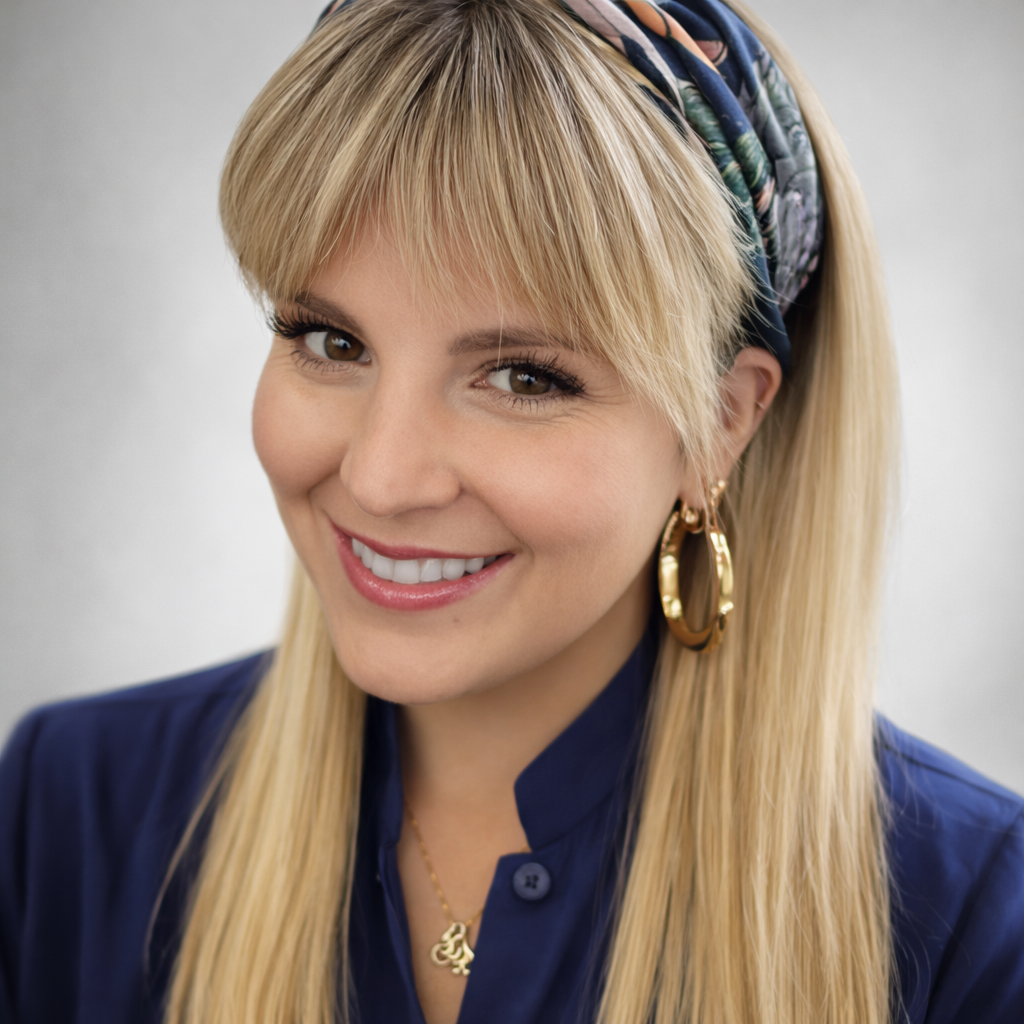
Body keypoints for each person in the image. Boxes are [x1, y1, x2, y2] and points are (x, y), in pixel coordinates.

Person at [1, 0, 1022, 1022]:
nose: (383, 476)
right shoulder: (69, 814)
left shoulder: (976, 918)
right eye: (330, 341)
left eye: (524, 377)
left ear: (720, 422)